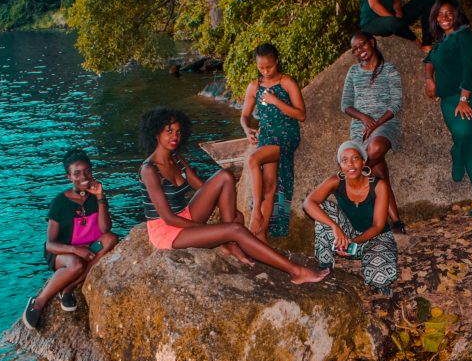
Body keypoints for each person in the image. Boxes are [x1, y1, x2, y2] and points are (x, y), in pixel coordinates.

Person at [138, 107, 329, 284]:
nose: (175, 137)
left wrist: (226, 211)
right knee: (235, 229)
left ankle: (230, 243)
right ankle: (295, 271)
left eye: (178, 132)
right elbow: (168, 218)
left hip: (185, 215)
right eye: (169, 131)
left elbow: (203, 188)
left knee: (224, 176)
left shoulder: (176, 159)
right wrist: (217, 229)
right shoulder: (149, 170)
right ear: (156, 133)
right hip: (166, 230)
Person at [22, 148, 119, 330]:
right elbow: (50, 245)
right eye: (77, 173)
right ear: (69, 177)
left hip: (89, 248)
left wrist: (100, 197)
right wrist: (75, 249)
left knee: (111, 239)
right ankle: (39, 301)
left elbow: (105, 229)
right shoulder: (59, 202)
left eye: (87, 171)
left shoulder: (95, 197)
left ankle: (68, 288)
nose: (84, 176)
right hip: (63, 252)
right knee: (76, 264)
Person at [423, 0, 472, 216]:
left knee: (463, 132)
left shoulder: (465, 36)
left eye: (449, 13)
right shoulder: (442, 41)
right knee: (469, 140)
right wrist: (429, 79)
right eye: (440, 14)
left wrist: (464, 99)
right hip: (447, 100)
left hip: (471, 93)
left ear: (457, 14)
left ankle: (456, 152)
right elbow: (429, 60)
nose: (444, 18)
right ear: (435, 18)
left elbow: (470, 69)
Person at [303, 141, 398, 295]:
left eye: (355, 158)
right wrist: (336, 228)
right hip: (347, 233)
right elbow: (308, 203)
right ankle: (325, 263)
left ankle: (377, 270)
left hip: (376, 238)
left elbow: (378, 226)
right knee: (321, 208)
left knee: (380, 280)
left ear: (363, 161)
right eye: (344, 160)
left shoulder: (379, 185)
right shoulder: (336, 180)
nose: (350, 164)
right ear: (340, 165)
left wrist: (352, 242)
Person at [340, 31, 406, 233]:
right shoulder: (353, 72)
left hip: (385, 125)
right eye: (355, 49)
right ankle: (395, 221)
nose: (360, 51)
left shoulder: (389, 70)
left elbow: (396, 104)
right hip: (360, 129)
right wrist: (365, 119)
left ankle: (349, 181)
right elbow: (345, 105)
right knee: (378, 171)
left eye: (362, 45)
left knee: (376, 147)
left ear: (372, 42)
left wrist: (376, 123)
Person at [240, 43, 305, 241]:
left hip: (286, 136)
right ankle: (261, 236)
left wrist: (277, 101)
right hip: (267, 137)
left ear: (276, 62)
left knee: (253, 160)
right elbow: (244, 115)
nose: (266, 71)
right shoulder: (254, 86)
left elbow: (301, 115)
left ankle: (256, 214)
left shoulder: (287, 83)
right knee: (269, 185)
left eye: (269, 67)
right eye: (261, 68)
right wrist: (247, 129)